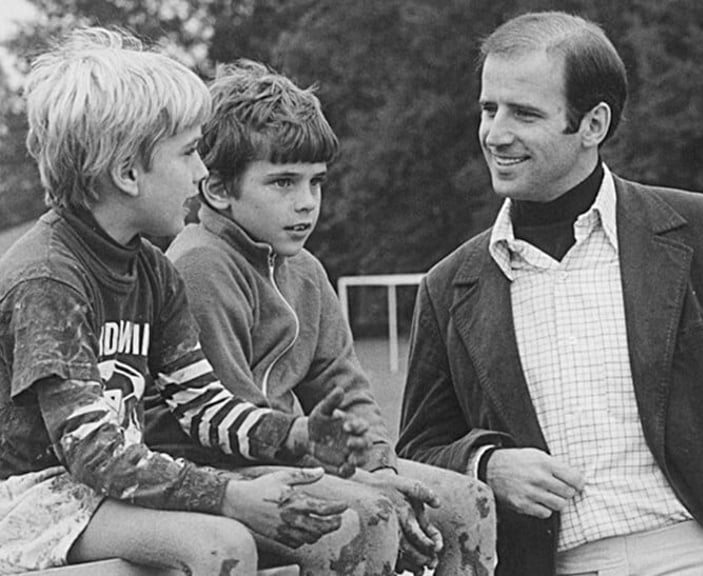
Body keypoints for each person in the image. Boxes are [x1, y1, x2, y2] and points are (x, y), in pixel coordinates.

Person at [397, 10, 703, 576]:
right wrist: (485, 465)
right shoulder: (448, 286)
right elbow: (415, 455)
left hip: (699, 554)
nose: (495, 134)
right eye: (489, 109)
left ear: (593, 124)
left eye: (524, 113)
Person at [0, 28, 373, 574]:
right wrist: (226, 495)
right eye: (189, 152)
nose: (201, 173)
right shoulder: (49, 280)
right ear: (128, 173)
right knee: (221, 544)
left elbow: (201, 406)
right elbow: (93, 451)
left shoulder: (154, 271)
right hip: (30, 499)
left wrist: (294, 435)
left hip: (101, 488)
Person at [158, 59, 496, 576]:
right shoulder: (200, 264)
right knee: (368, 516)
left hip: (293, 457)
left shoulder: (306, 270)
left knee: (468, 502)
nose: (306, 204)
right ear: (218, 188)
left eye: (316, 182)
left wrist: (379, 464)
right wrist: (359, 482)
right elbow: (230, 422)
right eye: (283, 183)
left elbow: (343, 384)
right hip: (218, 469)